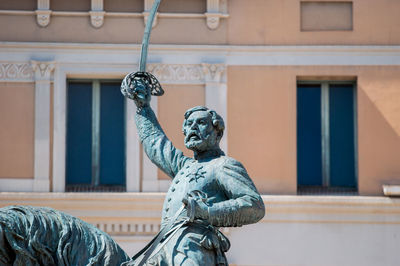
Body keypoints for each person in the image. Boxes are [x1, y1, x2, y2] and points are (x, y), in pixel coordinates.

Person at [126, 78, 265, 266]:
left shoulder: (223, 165)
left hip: (195, 248)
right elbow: (156, 144)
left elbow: (254, 205)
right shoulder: (184, 166)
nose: (192, 128)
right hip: (164, 248)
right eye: (189, 124)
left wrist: (207, 212)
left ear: (217, 132)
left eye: (200, 123)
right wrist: (143, 107)